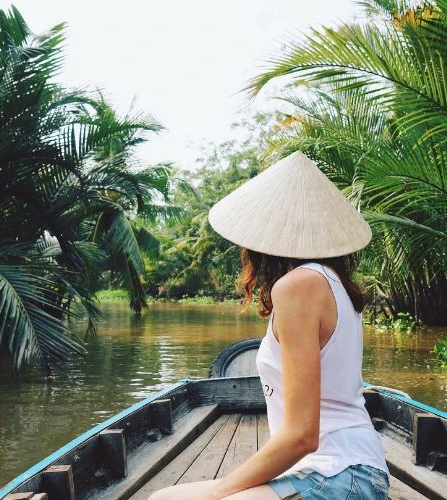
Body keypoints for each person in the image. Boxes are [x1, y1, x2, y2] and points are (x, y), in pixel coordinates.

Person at [149, 151, 389, 499]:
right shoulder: (331, 282)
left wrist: (218, 493)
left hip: (340, 474)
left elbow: (303, 435)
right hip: (343, 471)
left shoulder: (299, 286)